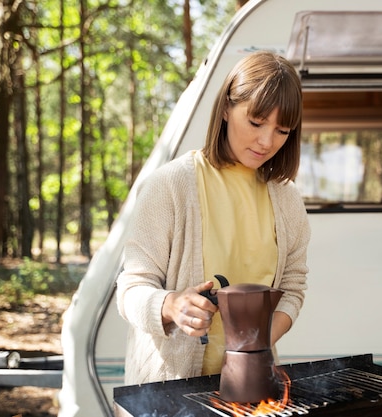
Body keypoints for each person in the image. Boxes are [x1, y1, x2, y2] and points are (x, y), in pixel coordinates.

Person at [116, 50, 310, 385]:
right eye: (256, 122)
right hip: (169, 392)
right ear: (225, 108)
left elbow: (293, 289)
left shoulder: (287, 198)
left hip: (252, 392)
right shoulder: (170, 185)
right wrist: (171, 305)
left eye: (282, 130)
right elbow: (131, 289)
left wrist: (253, 347)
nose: (267, 141)